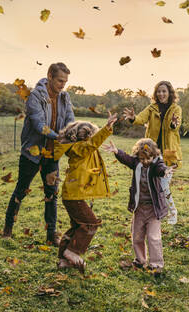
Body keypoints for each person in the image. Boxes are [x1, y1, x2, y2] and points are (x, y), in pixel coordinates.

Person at [2, 62, 75, 246]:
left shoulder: (65, 98)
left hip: (52, 155)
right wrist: (60, 136)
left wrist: (73, 132)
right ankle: (7, 229)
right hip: (32, 153)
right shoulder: (35, 96)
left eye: (65, 82)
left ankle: (51, 235)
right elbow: (39, 125)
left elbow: (70, 120)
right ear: (50, 76)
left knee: (52, 194)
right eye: (59, 80)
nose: (62, 85)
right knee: (21, 189)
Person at [54, 112, 118, 272]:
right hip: (74, 196)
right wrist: (107, 128)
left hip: (73, 195)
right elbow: (92, 144)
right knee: (90, 224)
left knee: (77, 226)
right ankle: (72, 252)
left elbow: (92, 146)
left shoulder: (81, 149)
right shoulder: (80, 148)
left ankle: (63, 259)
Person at [102, 138, 174, 274]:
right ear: (138, 157)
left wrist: (165, 172)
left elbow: (160, 168)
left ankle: (156, 265)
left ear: (154, 156)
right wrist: (117, 151)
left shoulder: (156, 164)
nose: (145, 161)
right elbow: (127, 159)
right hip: (139, 208)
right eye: (142, 159)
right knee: (137, 236)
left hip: (153, 209)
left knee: (154, 237)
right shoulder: (136, 163)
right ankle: (140, 260)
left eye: (148, 158)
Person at [123, 81, 182, 224]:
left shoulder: (176, 108)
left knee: (163, 185)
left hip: (169, 152)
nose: (161, 94)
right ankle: (156, 211)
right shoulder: (152, 108)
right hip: (152, 153)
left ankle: (172, 211)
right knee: (151, 184)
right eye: (159, 91)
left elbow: (175, 126)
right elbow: (141, 118)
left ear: (169, 93)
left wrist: (173, 123)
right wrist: (133, 118)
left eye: (164, 91)